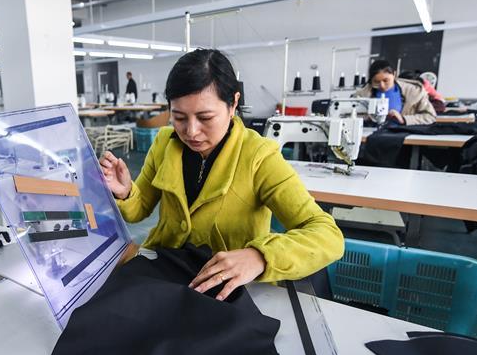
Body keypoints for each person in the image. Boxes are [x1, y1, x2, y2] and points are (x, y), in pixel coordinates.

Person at [100, 49, 344, 300]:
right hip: (165, 270)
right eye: (179, 117)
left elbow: (328, 235)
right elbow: (139, 210)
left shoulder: (259, 157)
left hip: (227, 290)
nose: (191, 131)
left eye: (205, 117)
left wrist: (260, 256)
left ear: (233, 103)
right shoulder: (164, 143)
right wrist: (126, 192)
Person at [354, 60, 436, 125]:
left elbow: (430, 116)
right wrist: (368, 118)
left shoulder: (414, 91)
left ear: (394, 74)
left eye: (386, 80)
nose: (382, 85)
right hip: (369, 136)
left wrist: (404, 119)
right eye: (376, 82)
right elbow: (350, 115)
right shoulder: (361, 95)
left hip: (403, 137)